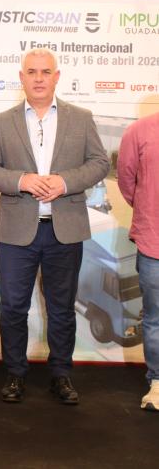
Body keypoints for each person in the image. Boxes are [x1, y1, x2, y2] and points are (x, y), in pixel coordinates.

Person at [0, 48, 109, 405]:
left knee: (62, 309)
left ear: (57, 76)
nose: (39, 78)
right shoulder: (2, 121)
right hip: (17, 231)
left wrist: (64, 182)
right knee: (13, 307)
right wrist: (21, 180)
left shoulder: (80, 118)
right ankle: (15, 373)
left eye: (45, 72)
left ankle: (61, 374)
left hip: (64, 229)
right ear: (22, 78)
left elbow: (99, 162)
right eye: (32, 72)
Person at [117, 111, 159, 411]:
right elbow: (127, 181)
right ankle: (157, 382)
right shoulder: (139, 131)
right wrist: (148, 209)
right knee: (155, 318)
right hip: (154, 242)